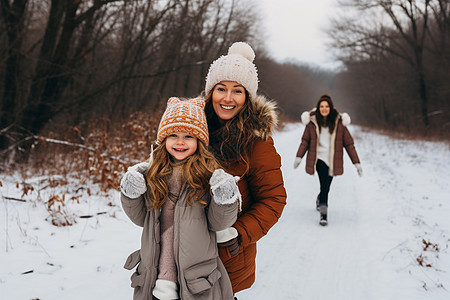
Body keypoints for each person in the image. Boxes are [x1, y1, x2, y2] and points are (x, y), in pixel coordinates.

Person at [120, 97, 241, 300]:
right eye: (173, 135)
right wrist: (131, 193)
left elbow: (217, 223)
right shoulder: (153, 174)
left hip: (195, 278)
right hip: (155, 273)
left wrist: (224, 198)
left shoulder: (207, 175)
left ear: (199, 141)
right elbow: (142, 219)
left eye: (188, 136)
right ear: (163, 139)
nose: (180, 142)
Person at [202, 42, 287, 295]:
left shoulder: (256, 142)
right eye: (221, 89)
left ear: (247, 97)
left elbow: (273, 199)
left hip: (226, 259)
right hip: (183, 255)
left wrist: (238, 234)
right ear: (211, 92)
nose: (228, 98)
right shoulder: (190, 133)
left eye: (237, 91)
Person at [293, 94, 362, 226]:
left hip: (333, 160)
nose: (324, 109)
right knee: (324, 185)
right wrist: (299, 157)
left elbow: (349, 144)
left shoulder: (339, 123)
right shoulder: (312, 122)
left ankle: (320, 198)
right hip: (319, 159)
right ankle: (323, 214)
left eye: (326, 106)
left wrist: (356, 163)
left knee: (327, 186)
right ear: (318, 108)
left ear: (330, 108)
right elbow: (305, 141)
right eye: (321, 106)